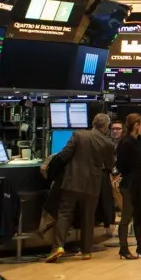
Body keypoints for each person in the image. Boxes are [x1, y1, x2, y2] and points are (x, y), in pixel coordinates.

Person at [43, 113, 116, 263]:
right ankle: (86, 251)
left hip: (72, 181)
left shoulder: (78, 135)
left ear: (93, 123)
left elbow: (64, 155)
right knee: (88, 217)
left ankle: (58, 247)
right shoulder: (108, 144)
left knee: (64, 214)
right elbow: (110, 166)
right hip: (92, 185)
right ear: (106, 127)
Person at [116, 113, 141, 260]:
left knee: (140, 215)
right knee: (127, 216)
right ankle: (123, 249)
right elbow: (121, 166)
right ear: (136, 126)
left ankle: (140, 247)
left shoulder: (139, 140)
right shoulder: (125, 143)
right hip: (129, 184)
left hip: (140, 182)